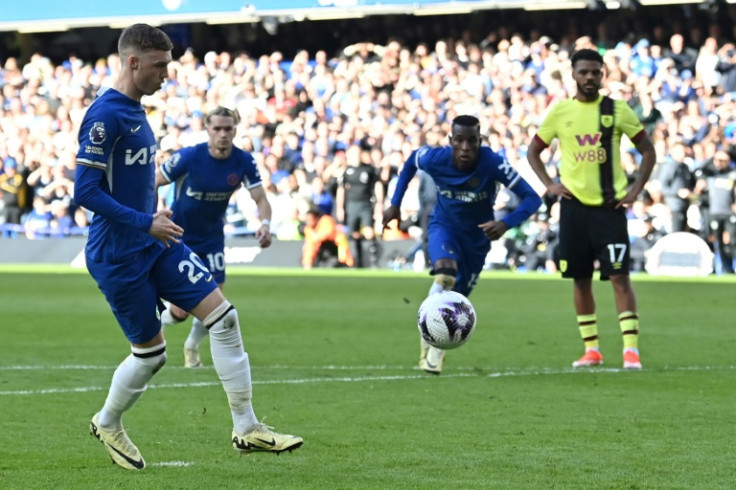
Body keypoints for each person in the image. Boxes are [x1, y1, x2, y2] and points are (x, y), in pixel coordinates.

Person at [74, 24, 302, 471]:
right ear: (133, 62)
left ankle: (247, 427)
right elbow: (85, 192)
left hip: (157, 243)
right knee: (151, 356)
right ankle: (108, 421)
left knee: (225, 317)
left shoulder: (137, 110)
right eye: (160, 65)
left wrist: (152, 222)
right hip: (119, 255)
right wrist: (145, 221)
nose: (167, 74)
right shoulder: (106, 116)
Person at [526, 49, 657, 370]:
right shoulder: (560, 112)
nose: (589, 77)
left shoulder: (617, 109)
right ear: (573, 73)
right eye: (583, 72)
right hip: (573, 210)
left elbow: (647, 150)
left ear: (602, 75)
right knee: (580, 279)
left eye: (595, 72)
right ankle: (592, 350)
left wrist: (635, 190)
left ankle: (630, 351)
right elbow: (533, 151)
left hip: (608, 210)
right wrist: (550, 185)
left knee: (619, 277)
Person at [383, 115, 542, 375]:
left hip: (478, 239)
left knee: (458, 300)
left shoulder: (493, 163)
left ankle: (438, 338)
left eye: (472, 141)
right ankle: (431, 338)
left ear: (480, 141)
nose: (466, 147)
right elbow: (412, 160)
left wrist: (506, 223)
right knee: (446, 274)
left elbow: (532, 199)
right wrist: (395, 203)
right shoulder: (436, 158)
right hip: (443, 226)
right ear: (451, 141)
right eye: (460, 140)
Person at [154, 106, 273, 368]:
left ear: (235, 130)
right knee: (180, 312)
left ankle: (191, 346)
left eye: (228, 129)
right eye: (217, 128)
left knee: (216, 302)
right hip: (179, 239)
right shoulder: (188, 157)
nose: (222, 134)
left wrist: (264, 224)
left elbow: (261, 198)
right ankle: (152, 325)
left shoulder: (243, 161)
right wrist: (151, 217)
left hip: (212, 240)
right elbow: (153, 181)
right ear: (207, 129)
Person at [335, 144, 383, 268]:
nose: (355, 156)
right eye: (353, 154)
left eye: (357, 153)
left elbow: (377, 185)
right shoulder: (346, 171)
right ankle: (356, 262)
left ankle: (373, 262)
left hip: (365, 204)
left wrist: (379, 203)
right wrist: (340, 207)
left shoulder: (369, 169)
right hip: (351, 205)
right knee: (352, 233)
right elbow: (341, 190)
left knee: (369, 232)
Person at [301, 204, 354, 269]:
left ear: (315, 217)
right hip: (320, 253)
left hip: (334, 247)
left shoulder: (326, 220)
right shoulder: (308, 229)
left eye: (310, 219)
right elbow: (310, 245)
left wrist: (316, 236)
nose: (308, 222)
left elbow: (328, 233)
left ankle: (347, 265)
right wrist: (307, 263)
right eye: (307, 220)